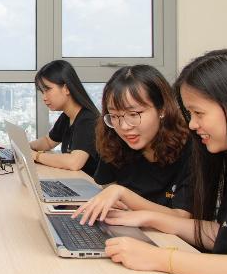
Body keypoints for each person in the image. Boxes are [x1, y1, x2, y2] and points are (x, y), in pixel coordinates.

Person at [101, 49, 227, 274]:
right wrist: (150, 217)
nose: (193, 124)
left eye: (198, 113)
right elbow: (223, 234)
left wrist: (159, 258)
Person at [73, 65, 192, 225]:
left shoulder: (192, 148)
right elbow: (107, 187)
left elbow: (182, 217)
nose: (124, 126)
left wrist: (123, 194)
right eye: (114, 116)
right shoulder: (113, 139)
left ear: (162, 108)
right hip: (130, 230)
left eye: (133, 114)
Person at [29, 60, 101, 176]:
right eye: (42, 92)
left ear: (66, 88)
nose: (44, 97)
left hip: (92, 187)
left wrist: (36, 156)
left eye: (47, 90)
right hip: (77, 180)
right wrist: (26, 146)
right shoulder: (67, 116)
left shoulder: (88, 120)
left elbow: (74, 162)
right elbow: (48, 142)